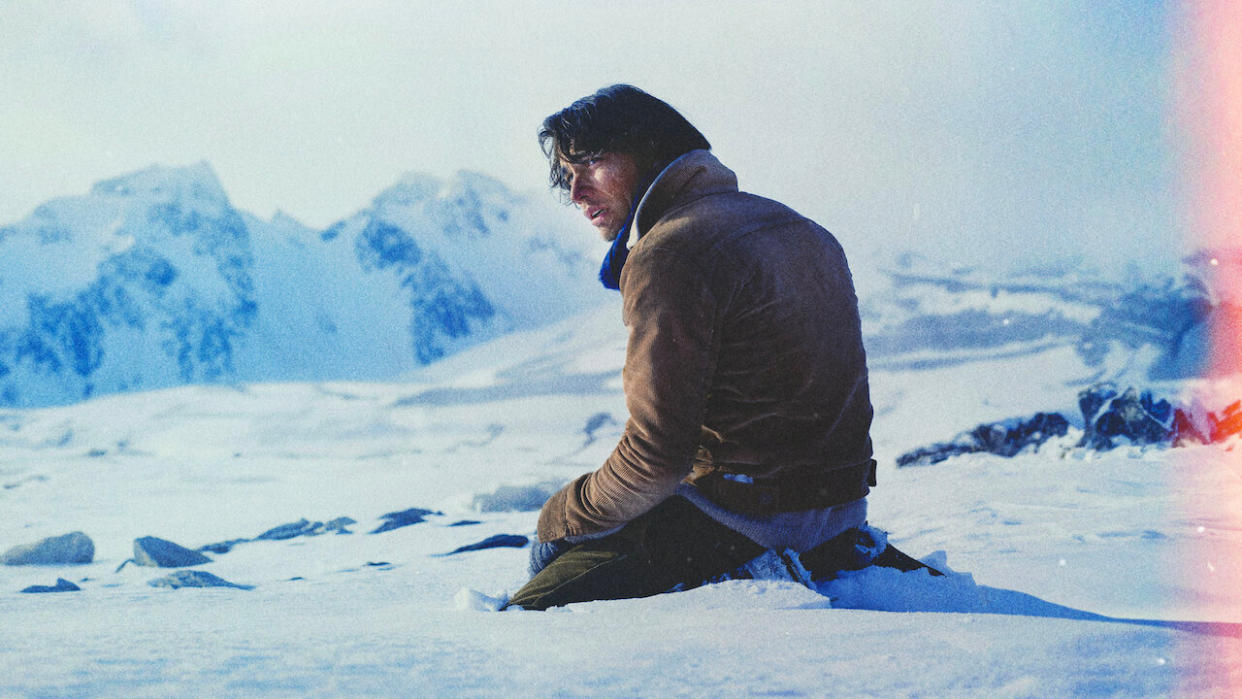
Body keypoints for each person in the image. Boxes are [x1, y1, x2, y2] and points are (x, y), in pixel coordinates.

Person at [505, 85, 920, 611]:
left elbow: (654, 460)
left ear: (649, 148)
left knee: (520, 621)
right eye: (567, 177)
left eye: (590, 162)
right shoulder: (802, 227)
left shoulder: (670, 252)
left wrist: (560, 517)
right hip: (841, 517)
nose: (577, 192)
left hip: (739, 522)